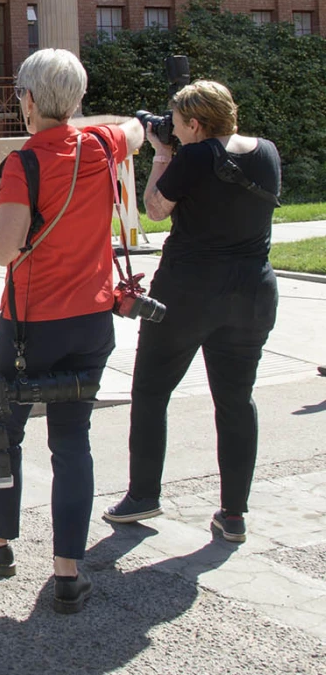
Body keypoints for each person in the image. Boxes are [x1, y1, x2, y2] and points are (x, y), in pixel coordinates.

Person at [0, 49, 145, 614]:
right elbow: (135, 129)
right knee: (72, 440)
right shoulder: (102, 144)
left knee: (4, 431)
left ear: (28, 100)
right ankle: (67, 571)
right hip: (91, 319)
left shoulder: (23, 164)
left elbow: (3, 249)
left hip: (32, 324)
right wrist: (78, 119)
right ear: (76, 101)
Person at [104, 80, 281, 545]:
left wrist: (163, 153)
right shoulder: (266, 152)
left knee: (151, 391)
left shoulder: (195, 156)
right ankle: (234, 513)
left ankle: (143, 495)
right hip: (253, 292)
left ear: (197, 124)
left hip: (187, 293)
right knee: (236, 400)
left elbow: (156, 209)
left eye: (179, 125)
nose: (175, 132)